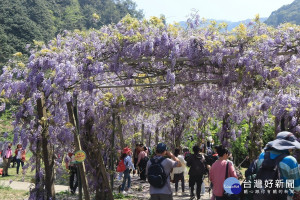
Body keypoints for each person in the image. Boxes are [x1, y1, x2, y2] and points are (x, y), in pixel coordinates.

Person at [254, 131, 300, 199]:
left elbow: (259, 175)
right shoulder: (291, 161)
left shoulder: (262, 156)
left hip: (262, 195)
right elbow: (297, 187)